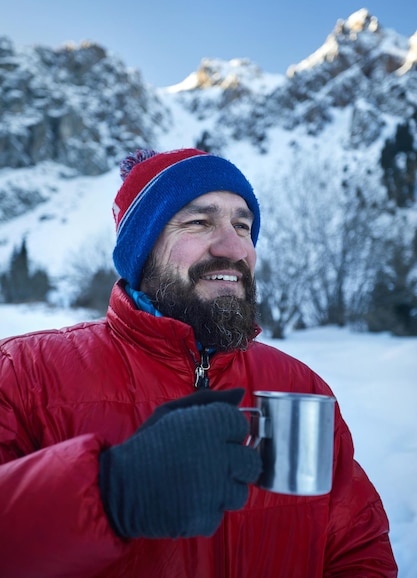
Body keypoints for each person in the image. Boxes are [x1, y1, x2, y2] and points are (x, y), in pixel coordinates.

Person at [0, 148, 397, 577]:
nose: (233, 246)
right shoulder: (24, 373)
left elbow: (359, 549)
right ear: (143, 251)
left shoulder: (300, 386)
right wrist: (106, 494)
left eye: (242, 226)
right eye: (199, 222)